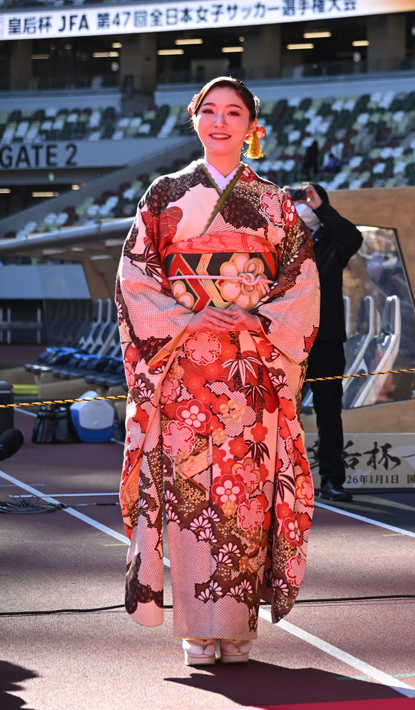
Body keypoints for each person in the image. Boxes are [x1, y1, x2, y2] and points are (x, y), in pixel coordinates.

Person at [116, 76, 320, 665]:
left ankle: (236, 627)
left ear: (252, 127)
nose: (221, 121)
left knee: (243, 496)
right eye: (209, 110)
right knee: (186, 496)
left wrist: (253, 318)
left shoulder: (276, 202)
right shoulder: (164, 196)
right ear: (194, 119)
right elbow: (135, 280)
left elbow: (301, 284)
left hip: (249, 371)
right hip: (182, 370)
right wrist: (194, 318)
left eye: (235, 112)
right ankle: (194, 628)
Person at [289, 182, 363, 502]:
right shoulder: (281, 243)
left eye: (308, 202)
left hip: (326, 339)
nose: (302, 207)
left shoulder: (334, 242)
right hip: (287, 340)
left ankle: (332, 479)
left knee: (329, 411)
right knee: (284, 410)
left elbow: (354, 237)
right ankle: (284, 477)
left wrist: (320, 207)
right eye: (299, 202)